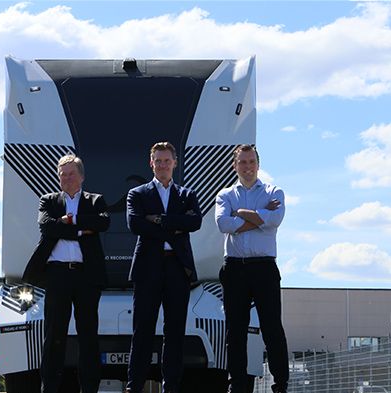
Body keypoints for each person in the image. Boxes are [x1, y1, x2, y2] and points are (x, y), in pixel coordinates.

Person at [22, 154, 111, 393]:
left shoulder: (95, 200)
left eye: (71, 173)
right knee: (54, 335)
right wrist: (82, 230)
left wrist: (68, 223)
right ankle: (49, 388)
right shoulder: (48, 200)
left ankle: (90, 388)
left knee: (88, 335)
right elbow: (46, 226)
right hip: (57, 275)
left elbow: (103, 223)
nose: (66, 178)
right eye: (62, 174)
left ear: (81, 176)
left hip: (86, 276)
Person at [125, 142, 202, 393]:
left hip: (177, 269)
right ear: (151, 163)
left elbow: (195, 222)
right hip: (148, 269)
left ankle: (171, 387)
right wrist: (175, 227)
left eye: (167, 160)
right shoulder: (137, 194)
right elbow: (136, 224)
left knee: (175, 331)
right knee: (142, 330)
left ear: (175, 163)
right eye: (158, 160)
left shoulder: (187, 195)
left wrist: (159, 220)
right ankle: (134, 385)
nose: (162, 165)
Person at [214, 144, 289, 393]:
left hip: (264, 268)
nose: (247, 167)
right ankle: (237, 384)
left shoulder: (273, 191)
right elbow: (224, 224)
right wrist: (259, 218)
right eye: (242, 162)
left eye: (251, 162)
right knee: (235, 331)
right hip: (235, 268)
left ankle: (280, 383)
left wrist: (243, 215)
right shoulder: (225, 194)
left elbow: (275, 219)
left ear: (258, 164)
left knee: (272, 327)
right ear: (235, 166)